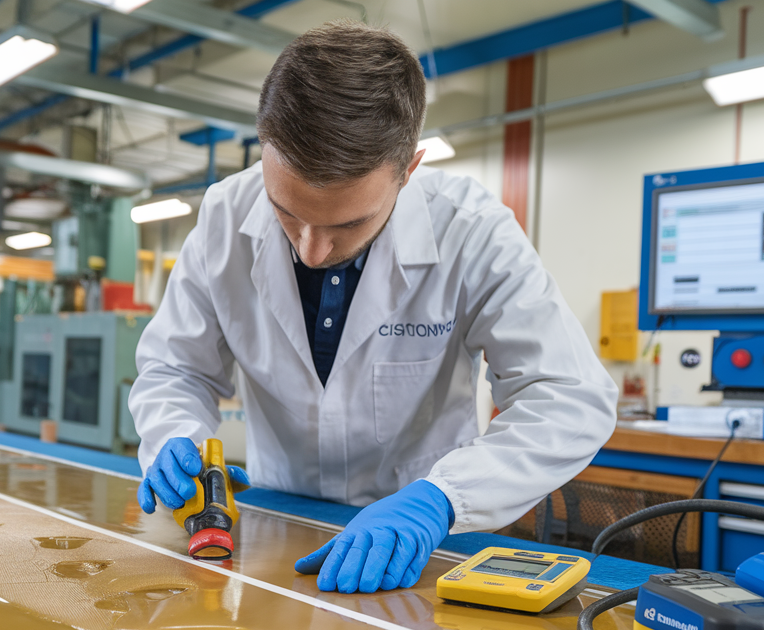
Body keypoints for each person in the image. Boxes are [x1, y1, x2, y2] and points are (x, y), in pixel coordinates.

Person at [128, 21, 618, 594]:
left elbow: (569, 396)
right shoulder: (223, 215)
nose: (311, 250)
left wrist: (441, 500)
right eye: (286, 211)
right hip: (282, 527)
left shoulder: (472, 230)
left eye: (348, 223)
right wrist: (173, 437)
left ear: (408, 170)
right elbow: (175, 369)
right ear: (264, 148)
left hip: (422, 549)